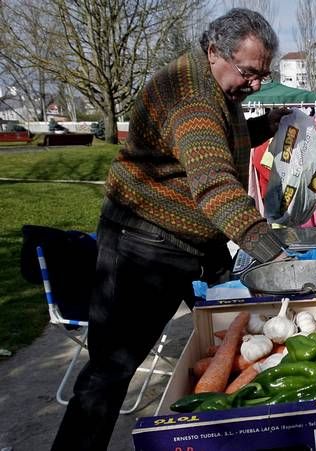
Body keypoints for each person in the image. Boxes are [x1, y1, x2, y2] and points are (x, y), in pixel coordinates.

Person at [51, 9, 289, 450]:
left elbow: (215, 141)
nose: (255, 84)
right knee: (111, 370)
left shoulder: (217, 87)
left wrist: (264, 127)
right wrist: (274, 252)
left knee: (239, 337)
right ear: (214, 50)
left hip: (196, 242)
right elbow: (214, 182)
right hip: (144, 246)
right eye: (249, 73)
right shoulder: (190, 94)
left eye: (262, 76)